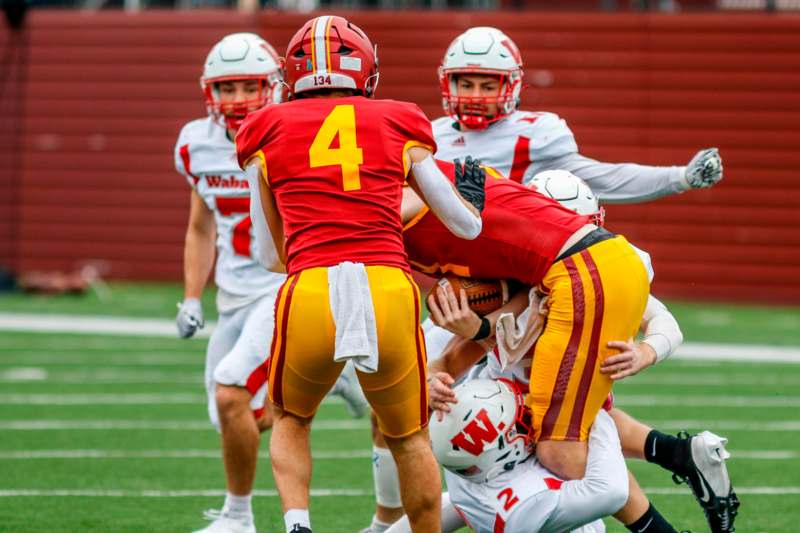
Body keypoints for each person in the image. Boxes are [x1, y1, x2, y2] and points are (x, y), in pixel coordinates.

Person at [363, 24, 725, 533]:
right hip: (477, 289)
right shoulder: (428, 136)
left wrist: (677, 178)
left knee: (540, 419)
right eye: (466, 82)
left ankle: (576, 509)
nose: (476, 95)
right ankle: (669, 461)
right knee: (420, 404)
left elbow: (603, 178)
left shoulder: (540, 137)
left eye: (488, 83)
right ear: (446, 82)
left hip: (521, 287)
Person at [234, 15, 485, 533]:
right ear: (365, 71)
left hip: (310, 287)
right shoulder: (400, 119)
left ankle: (299, 524)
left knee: (293, 419)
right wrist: (472, 195)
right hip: (386, 287)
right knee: (408, 436)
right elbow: (463, 225)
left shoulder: (265, 128)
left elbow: (266, 256)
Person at [175, 32, 367, 533]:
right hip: (234, 295)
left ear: (276, 85)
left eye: (249, 86)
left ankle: (237, 518)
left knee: (231, 392)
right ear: (208, 92)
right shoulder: (195, 143)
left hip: (283, 285)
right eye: (226, 88)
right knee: (234, 419)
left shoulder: (292, 131)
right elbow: (200, 225)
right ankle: (328, 379)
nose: (237, 100)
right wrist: (193, 296)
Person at [393, 379, 628, 533]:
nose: (526, 415)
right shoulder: (526, 504)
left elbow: (449, 505)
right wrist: (595, 412)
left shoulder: (461, 461)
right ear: (501, 450)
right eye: (520, 422)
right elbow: (611, 492)